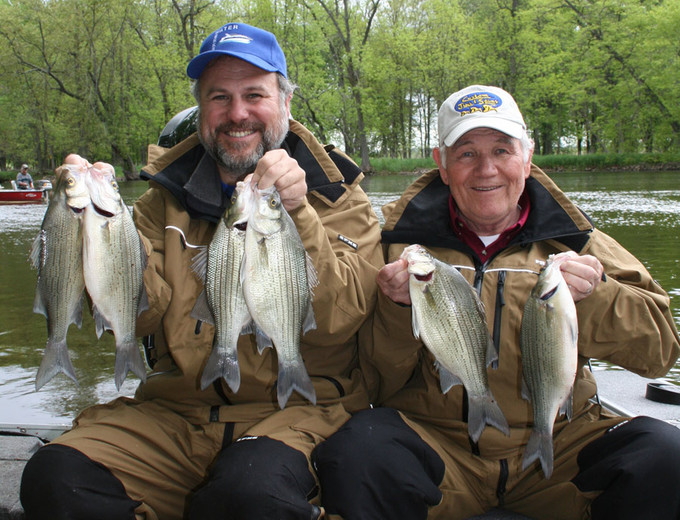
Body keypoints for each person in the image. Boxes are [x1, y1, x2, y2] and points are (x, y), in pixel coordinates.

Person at [20, 22, 383, 519]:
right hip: (174, 413)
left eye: (255, 94)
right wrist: (94, 237)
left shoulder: (340, 197)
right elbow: (142, 318)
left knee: (249, 495)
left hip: (296, 415)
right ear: (201, 111)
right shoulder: (156, 203)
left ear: (285, 103)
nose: (237, 113)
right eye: (219, 97)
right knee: (57, 479)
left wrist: (298, 212)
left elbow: (343, 317)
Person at [312, 85, 680, 519]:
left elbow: (660, 353)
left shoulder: (579, 241)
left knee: (665, 456)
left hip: (563, 444)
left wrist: (594, 298)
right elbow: (373, 383)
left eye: (503, 150)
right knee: (355, 454)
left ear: (528, 156)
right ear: (442, 164)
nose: (487, 169)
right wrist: (398, 313)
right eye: (467, 153)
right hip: (438, 449)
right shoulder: (392, 244)